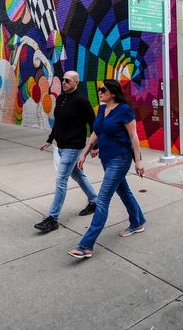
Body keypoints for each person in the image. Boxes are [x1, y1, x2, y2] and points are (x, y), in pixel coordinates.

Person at [68, 79, 146, 259]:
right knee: (124, 192)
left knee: (102, 199)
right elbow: (97, 132)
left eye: (103, 90)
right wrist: (84, 153)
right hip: (106, 159)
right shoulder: (102, 109)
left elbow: (134, 137)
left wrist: (138, 161)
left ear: (112, 92)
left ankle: (86, 246)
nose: (100, 92)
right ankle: (137, 222)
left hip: (120, 159)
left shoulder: (124, 110)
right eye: (99, 89)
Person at [34, 71, 98, 233]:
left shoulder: (82, 101)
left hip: (74, 146)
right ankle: (95, 201)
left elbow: (94, 123)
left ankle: (52, 218)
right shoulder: (61, 98)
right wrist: (50, 139)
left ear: (76, 82)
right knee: (77, 175)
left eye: (67, 80)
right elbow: (58, 122)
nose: (63, 82)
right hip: (61, 146)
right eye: (63, 80)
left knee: (61, 179)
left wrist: (95, 146)